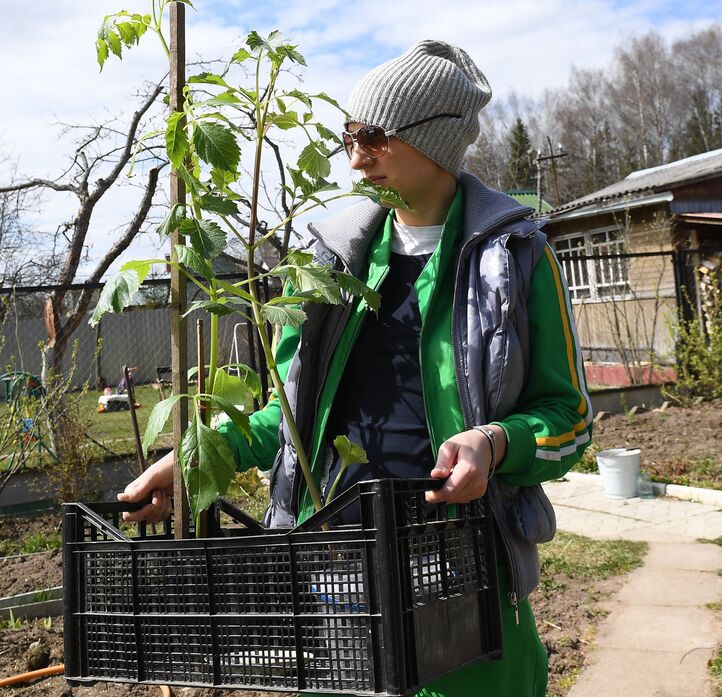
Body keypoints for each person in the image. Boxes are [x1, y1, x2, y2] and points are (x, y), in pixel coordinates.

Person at [120, 39, 592, 697]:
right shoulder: (333, 265)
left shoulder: (511, 262)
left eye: (374, 134)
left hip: (464, 575)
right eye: (348, 134)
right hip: (339, 575)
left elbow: (569, 420)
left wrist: (495, 441)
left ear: (437, 142)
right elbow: (290, 415)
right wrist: (199, 459)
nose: (354, 153)